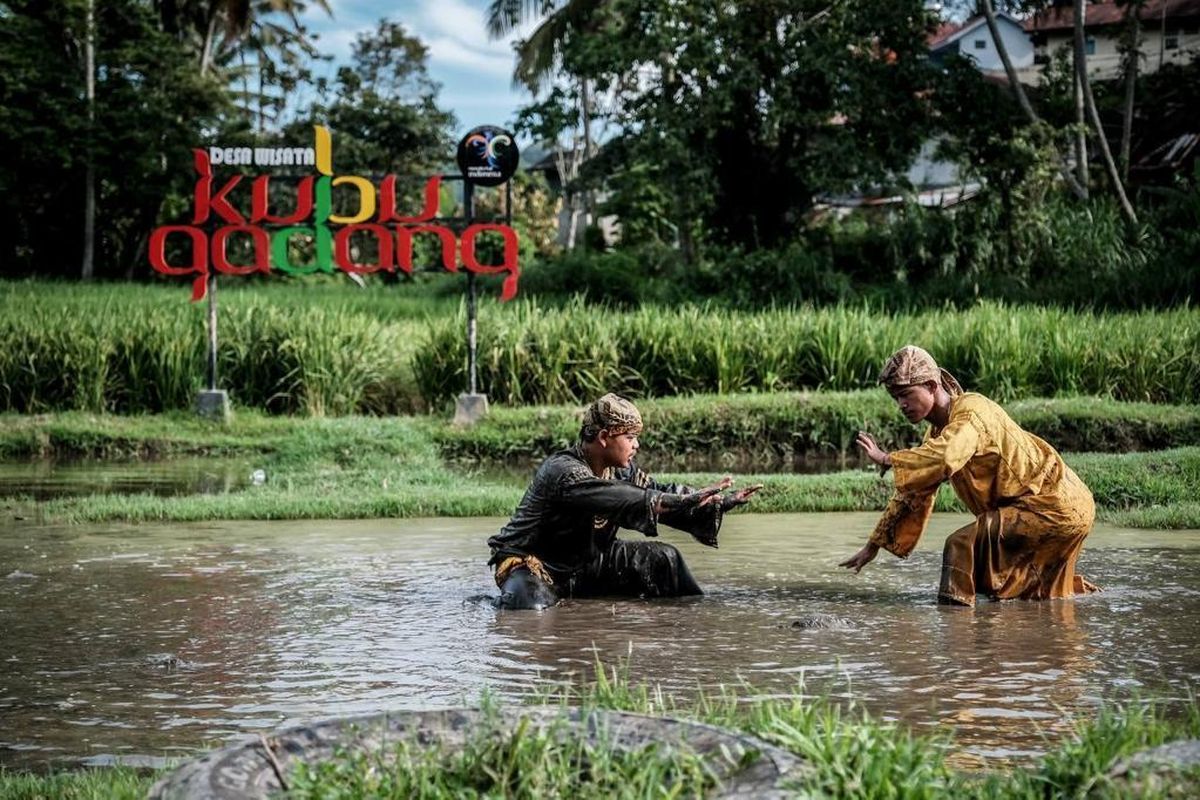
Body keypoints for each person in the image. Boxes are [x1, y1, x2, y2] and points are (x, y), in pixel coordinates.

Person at [839, 345, 1098, 606]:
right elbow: (912, 494)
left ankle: (955, 624)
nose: (901, 405)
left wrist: (887, 458)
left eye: (905, 394)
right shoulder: (939, 433)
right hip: (1063, 507)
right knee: (1027, 590)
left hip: (1053, 507)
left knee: (961, 546)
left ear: (931, 385)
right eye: (896, 398)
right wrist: (873, 545)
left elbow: (946, 455)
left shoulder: (971, 412)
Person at [487, 393, 762, 609]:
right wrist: (678, 499)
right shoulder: (563, 471)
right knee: (531, 606)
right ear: (605, 437)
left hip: (587, 563)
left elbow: (654, 491)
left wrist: (709, 501)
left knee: (664, 559)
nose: (636, 445)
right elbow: (620, 497)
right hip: (535, 566)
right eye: (630, 437)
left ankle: (695, 620)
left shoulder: (622, 471)